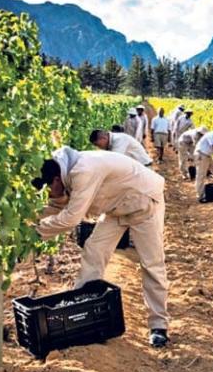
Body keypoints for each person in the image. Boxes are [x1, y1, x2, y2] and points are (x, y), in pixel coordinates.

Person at [32, 146, 171, 347]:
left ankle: (159, 326)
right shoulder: (64, 171)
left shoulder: (83, 171)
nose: (49, 194)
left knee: (151, 264)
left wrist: (34, 233)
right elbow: (56, 206)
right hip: (116, 210)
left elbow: (70, 219)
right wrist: (22, 222)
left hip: (144, 204)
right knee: (94, 249)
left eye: (48, 189)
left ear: (55, 180)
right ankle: (82, 309)